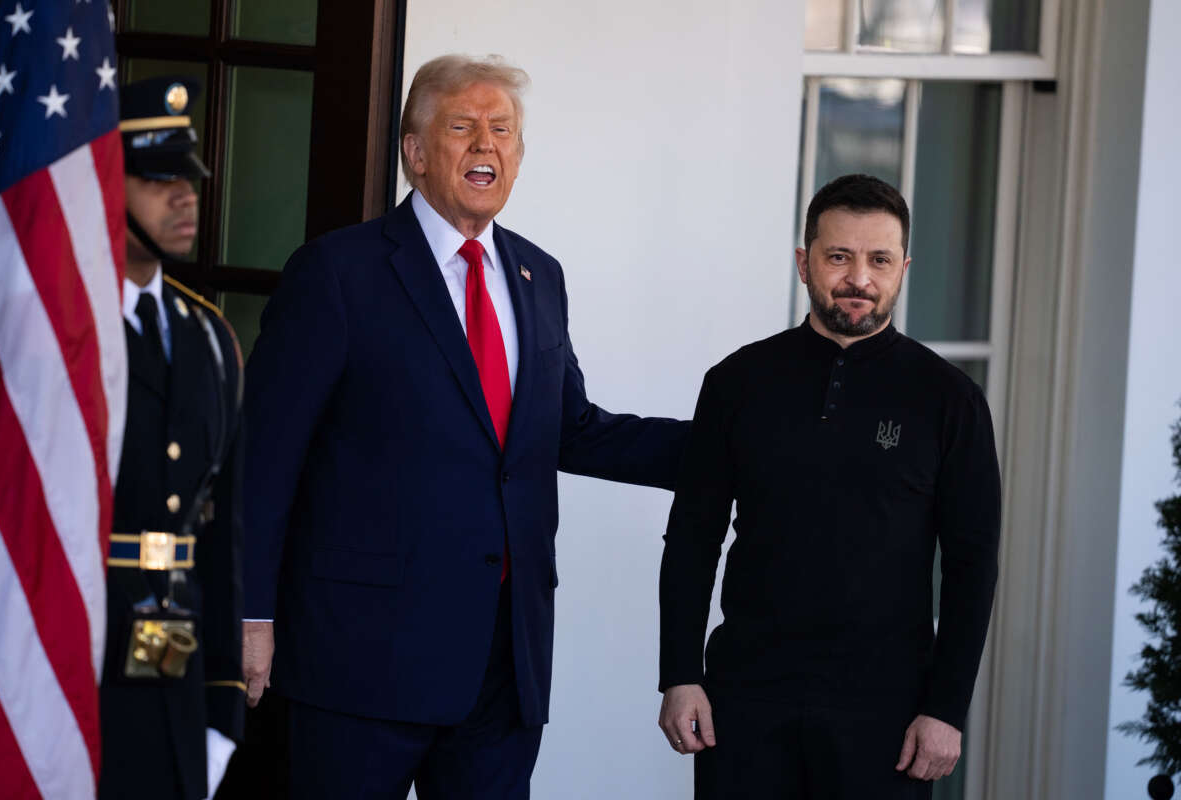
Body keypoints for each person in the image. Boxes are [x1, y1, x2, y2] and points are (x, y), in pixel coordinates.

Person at [240, 54, 689, 799]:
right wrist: (251, 612)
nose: (488, 145)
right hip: (361, 663)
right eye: (463, 127)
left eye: (503, 130)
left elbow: (567, 428)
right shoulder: (338, 273)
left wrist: (733, 444)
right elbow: (265, 457)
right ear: (415, 153)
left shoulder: (537, 276)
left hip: (502, 666)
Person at [657, 174, 1001, 799]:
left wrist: (946, 708)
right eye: (839, 256)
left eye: (879, 260)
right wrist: (679, 674)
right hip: (748, 695)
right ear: (804, 261)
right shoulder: (737, 382)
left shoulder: (950, 399)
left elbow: (973, 565)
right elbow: (692, 538)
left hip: (888, 710)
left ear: (903, 267)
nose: (858, 280)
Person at [100, 76, 245, 800]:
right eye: (158, 180)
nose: (185, 196)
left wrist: (220, 704)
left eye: (187, 178)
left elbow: (215, 535)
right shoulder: (57, 328)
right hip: (64, 650)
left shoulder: (208, 337)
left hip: (170, 655)